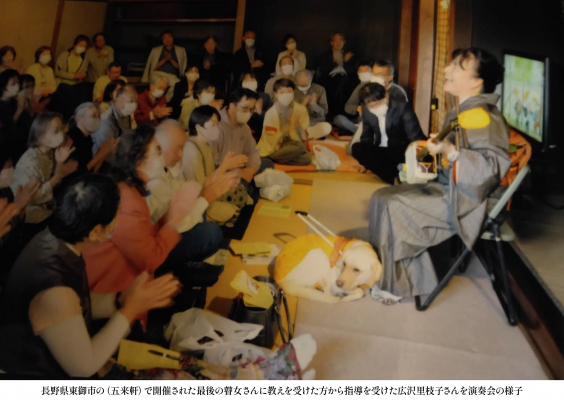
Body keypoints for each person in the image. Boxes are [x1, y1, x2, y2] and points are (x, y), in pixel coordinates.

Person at [0, 173, 181, 377]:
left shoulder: (53, 239)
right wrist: (130, 309)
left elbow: (71, 308)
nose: (119, 221)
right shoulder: (53, 289)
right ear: (95, 232)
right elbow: (84, 367)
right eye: (118, 215)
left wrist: (117, 301)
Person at [368, 48, 510, 300]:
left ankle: (403, 286)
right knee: (381, 196)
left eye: (457, 67)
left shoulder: (483, 117)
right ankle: (381, 273)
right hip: (454, 188)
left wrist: (450, 151)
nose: (446, 70)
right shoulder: (463, 110)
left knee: (395, 205)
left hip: (472, 201)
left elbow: (491, 170)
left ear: (476, 81)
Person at [83, 125, 200, 294]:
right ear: (140, 160)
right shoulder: (128, 201)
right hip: (110, 288)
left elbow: (144, 232)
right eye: (158, 150)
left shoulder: (129, 189)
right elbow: (150, 259)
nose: (162, 155)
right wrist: (173, 221)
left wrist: (172, 213)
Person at [148, 119, 237, 262]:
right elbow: (174, 224)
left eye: (182, 148)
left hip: (177, 224)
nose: (180, 154)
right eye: (176, 148)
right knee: (212, 232)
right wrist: (206, 196)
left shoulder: (170, 166)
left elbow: (189, 188)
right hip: (160, 241)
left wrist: (215, 183)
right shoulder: (154, 182)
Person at [10, 112, 78, 240]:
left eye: (62, 129)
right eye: (56, 131)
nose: (62, 134)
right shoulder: (31, 161)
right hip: (30, 219)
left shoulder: (51, 152)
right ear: (40, 136)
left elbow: (55, 181)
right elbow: (34, 197)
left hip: (47, 211)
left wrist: (60, 162)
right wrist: (59, 175)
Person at [351, 83, 425, 184]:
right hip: (382, 149)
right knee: (357, 148)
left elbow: (415, 137)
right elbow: (366, 136)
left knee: (386, 162)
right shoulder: (366, 110)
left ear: (386, 96)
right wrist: (367, 156)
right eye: (371, 106)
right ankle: (394, 176)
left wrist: (418, 159)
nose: (375, 107)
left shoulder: (402, 107)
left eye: (378, 103)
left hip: (401, 149)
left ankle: (394, 177)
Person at [212, 88, 264, 185]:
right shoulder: (216, 126)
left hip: (240, 170)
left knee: (266, 163)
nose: (248, 113)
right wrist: (237, 173)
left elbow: (253, 151)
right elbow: (212, 166)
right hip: (221, 174)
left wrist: (250, 169)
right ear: (232, 106)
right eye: (245, 108)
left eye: (252, 109)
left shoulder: (244, 126)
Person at [257, 78, 311, 165]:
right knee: (300, 147)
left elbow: (304, 131)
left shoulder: (301, 109)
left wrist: (301, 133)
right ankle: (272, 156)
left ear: (294, 92)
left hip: (293, 142)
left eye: (289, 92)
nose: (286, 95)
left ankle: (274, 158)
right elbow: (269, 136)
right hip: (276, 143)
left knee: (306, 158)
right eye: (282, 92)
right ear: (276, 94)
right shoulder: (271, 113)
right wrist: (285, 130)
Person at [91, 85, 138, 165]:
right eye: (131, 101)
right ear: (117, 100)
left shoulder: (126, 114)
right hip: (104, 163)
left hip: (121, 155)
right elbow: (105, 154)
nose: (134, 104)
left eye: (136, 101)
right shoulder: (105, 121)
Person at [66, 102, 117, 175]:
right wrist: (100, 154)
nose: (98, 119)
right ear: (80, 119)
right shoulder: (72, 139)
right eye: (93, 116)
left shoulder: (88, 138)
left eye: (99, 116)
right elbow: (79, 174)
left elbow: (92, 171)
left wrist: (105, 151)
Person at [315, 32, 357, 118]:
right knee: (339, 81)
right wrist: (337, 62)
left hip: (346, 80)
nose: (338, 43)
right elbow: (323, 69)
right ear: (332, 43)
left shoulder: (348, 55)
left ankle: (335, 113)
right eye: (336, 40)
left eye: (340, 40)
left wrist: (345, 62)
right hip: (330, 79)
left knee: (342, 79)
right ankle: (340, 113)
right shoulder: (326, 55)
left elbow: (353, 70)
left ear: (344, 42)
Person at [142, 30, 187, 103]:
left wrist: (171, 60)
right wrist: (165, 59)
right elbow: (153, 67)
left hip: (172, 75)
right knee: (160, 84)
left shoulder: (181, 50)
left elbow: (181, 67)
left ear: (173, 38)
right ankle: (152, 102)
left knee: (177, 84)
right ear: (162, 40)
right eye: (164, 38)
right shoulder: (155, 50)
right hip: (158, 74)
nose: (167, 40)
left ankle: (164, 102)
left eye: (169, 37)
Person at [54, 35, 92, 119]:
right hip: (63, 82)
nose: (82, 48)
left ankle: (82, 115)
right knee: (69, 92)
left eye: (84, 46)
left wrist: (83, 74)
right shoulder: (65, 55)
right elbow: (58, 72)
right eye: (80, 45)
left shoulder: (84, 58)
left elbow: (84, 70)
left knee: (84, 90)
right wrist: (73, 76)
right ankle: (69, 116)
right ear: (75, 45)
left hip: (76, 83)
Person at [333, 59, 373, 135]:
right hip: (359, 121)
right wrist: (358, 108)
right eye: (361, 70)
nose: (364, 72)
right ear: (357, 72)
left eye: (367, 70)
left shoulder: (378, 85)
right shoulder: (359, 86)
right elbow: (347, 106)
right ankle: (360, 132)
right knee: (338, 119)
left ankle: (360, 132)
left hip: (375, 121)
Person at [293, 69, 332, 137]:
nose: (303, 88)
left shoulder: (319, 89)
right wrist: (303, 104)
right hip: (298, 123)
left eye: (305, 85)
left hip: (315, 122)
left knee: (326, 127)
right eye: (301, 86)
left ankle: (307, 135)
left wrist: (314, 105)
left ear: (310, 81)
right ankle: (308, 135)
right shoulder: (292, 91)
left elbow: (324, 112)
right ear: (295, 82)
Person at [240, 71, 272, 142]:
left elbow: (272, 117)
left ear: (257, 81)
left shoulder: (265, 97)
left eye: (252, 80)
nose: (249, 82)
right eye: (246, 81)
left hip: (262, 134)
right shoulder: (238, 98)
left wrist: (260, 112)